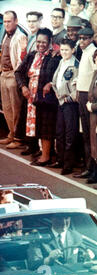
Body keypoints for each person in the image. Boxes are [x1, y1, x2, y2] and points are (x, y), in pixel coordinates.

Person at [15, 28, 61, 167]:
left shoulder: (54, 57)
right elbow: (18, 72)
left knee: (46, 126)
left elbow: (58, 75)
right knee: (36, 125)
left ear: (50, 42)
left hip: (46, 97)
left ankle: (46, 156)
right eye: (38, 41)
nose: (41, 45)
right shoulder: (32, 55)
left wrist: (51, 84)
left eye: (44, 42)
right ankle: (41, 152)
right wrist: (23, 86)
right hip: (31, 96)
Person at [0, 10, 28, 149]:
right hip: (3, 74)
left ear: (16, 21)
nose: (7, 24)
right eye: (4, 21)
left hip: (13, 74)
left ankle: (17, 137)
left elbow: (22, 59)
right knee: (6, 108)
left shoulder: (20, 36)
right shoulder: (6, 35)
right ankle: (11, 133)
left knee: (16, 108)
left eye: (9, 21)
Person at [51, 38, 79, 175]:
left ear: (73, 50)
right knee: (59, 132)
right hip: (60, 101)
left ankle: (68, 164)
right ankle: (60, 159)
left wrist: (70, 97)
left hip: (70, 103)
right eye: (62, 49)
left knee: (70, 134)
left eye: (66, 50)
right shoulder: (61, 62)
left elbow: (77, 85)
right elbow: (56, 80)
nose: (63, 52)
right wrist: (56, 92)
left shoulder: (75, 65)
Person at [73, 27, 97, 180]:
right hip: (81, 93)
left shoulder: (93, 51)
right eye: (80, 38)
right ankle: (88, 166)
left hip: (89, 96)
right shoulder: (84, 51)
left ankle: (92, 167)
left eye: (85, 38)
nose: (81, 41)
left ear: (91, 39)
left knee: (91, 133)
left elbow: (94, 74)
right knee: (86, 134)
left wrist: (89, 96)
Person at [86, 49, 97, 185]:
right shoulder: (95, 73)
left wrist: (92, 106)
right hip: (94, 116)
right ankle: (95, 172)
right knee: (94, 144)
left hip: (94, 111)